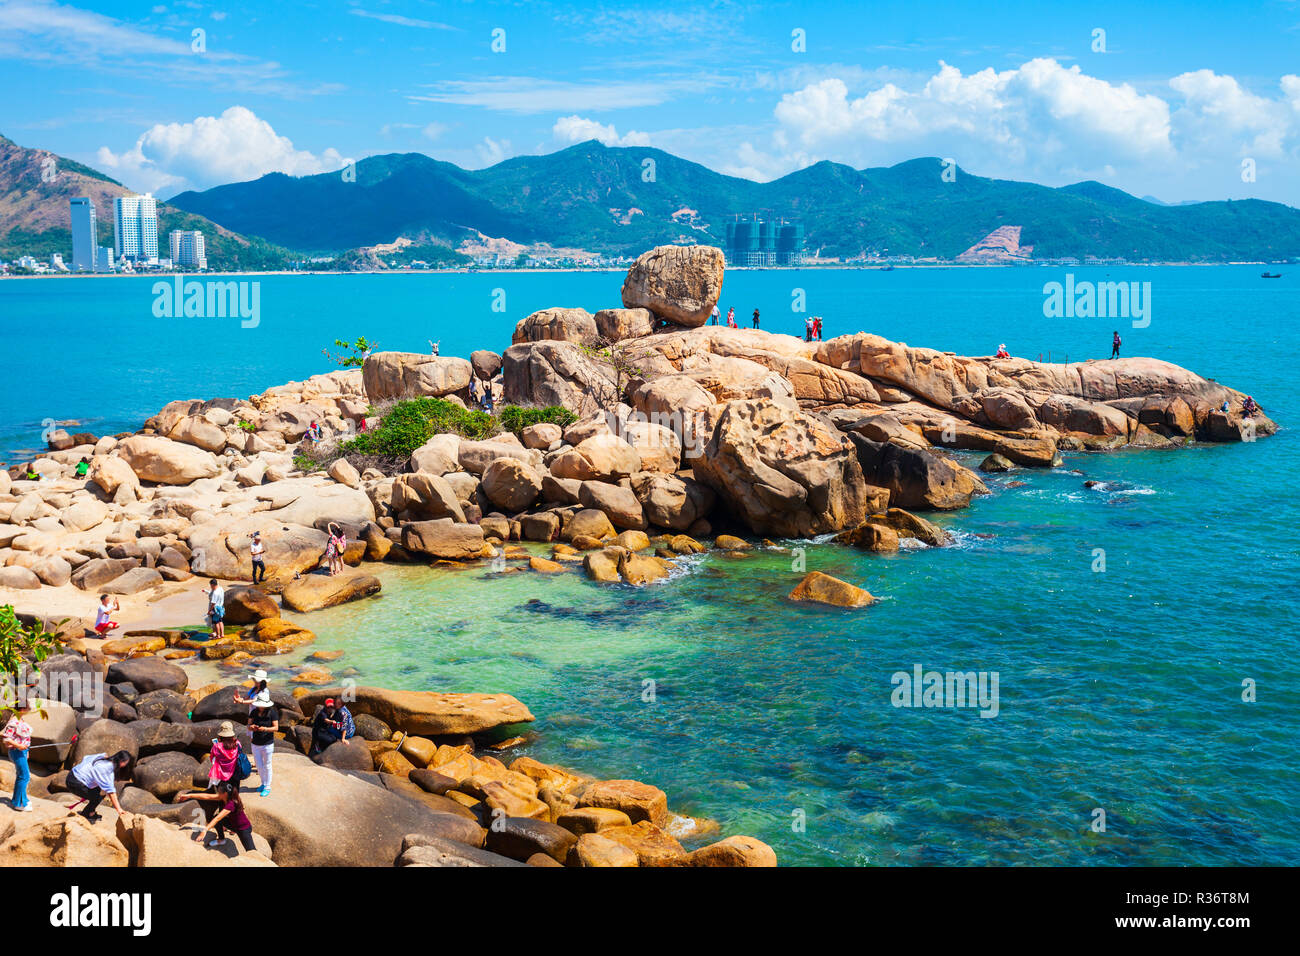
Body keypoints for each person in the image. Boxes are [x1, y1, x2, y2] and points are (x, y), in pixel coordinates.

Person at [179, 780, 257, 850]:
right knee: (216, 818)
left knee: (251, 850)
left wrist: (204, 831)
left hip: (243, 829)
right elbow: (207, 796)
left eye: (219, 792)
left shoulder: (231, 804)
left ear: (225, 793)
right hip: (233, 825)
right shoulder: (225, 797)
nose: (218, 794)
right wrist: (189, 796)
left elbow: (218, 818)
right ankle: (221, 840)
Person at [66, 750, 132, 821]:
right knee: (97, 798)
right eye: (126, 762)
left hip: (72, 774)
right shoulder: (107, 770)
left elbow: (87, 757)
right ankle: (86, 814)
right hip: (74, 783)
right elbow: (111, 792)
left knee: (97, 789)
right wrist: (119, 809)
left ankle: (91, 812)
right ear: (122, 762)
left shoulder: (102, 757)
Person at [243, 691, 278, 797]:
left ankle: (267, 786)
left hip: (267, 743)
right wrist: (252, 727)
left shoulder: (272, 712)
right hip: (255, 743)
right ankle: (263, 783)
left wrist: (265, 729)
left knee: (267, 764)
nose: (260, 707)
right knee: (259, 765)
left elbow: (276, 728)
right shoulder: (254, 712)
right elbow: (248, 725)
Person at [3, 709, 33, 812]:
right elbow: (6, 739)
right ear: (22, 709)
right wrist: (19, 746)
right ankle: (19, 804)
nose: (30, 710)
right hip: (16, 752)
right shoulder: (13, 722)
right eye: (28, 708)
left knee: (22, 776)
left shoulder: (21, 719)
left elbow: (24, 738)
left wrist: (26, 750)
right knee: (24, 776)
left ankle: (20, 799)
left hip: (22, 752)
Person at [208, 721, 244, 789]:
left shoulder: (217, 746)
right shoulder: (237, 744)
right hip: (235, 772)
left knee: (224, 795)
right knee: (235, 792)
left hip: (221, 775)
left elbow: (211, 758)